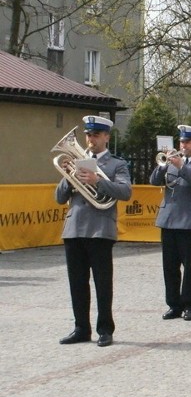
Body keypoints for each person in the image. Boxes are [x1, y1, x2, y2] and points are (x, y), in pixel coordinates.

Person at [56, 115, 132, 347]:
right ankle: (81, 328)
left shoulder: (116, 164)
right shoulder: (76, 160)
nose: (90, 139)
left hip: (100, 229)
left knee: (102, 282)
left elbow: (125, 192)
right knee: (77, 283)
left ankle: (105, 329)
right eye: (88, 135)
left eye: (96, 135)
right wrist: (69, 179)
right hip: (75, 228)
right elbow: (59, 198)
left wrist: (97, 180)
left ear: (107, 137)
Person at [150, 124, 191, 321]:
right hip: (168, 219)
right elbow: (154, 181)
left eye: (187, 142)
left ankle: (190, 305)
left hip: (189, 220)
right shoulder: (171, 161)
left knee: (190, 267)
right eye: (181, 141)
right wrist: (163, 165)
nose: (183, 145)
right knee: (169, 266)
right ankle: (173, 304)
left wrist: (182, 166)